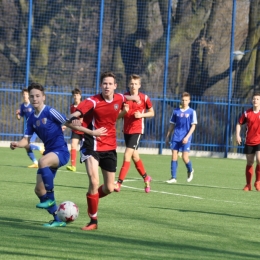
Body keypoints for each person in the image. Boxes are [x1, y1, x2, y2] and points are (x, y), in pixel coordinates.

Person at [66, 71, 140, 231]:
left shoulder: (119, 98)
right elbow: (70, 119)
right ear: (101, 85)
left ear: (115, 86)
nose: (107, 86)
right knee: (94, 181)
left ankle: (92, 200)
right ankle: (93, 220)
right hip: (91, 144)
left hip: (110, 147)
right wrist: (91, 132)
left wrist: (131, 103)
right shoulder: (92, 101)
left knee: (109, 188)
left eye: (110, 84)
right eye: (104, 83)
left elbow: (121, 103)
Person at [10, 83, 71, 227]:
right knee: (38, 189)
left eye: (37, 96)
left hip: (61, 152)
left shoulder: (50, 111)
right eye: (32, 96)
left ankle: (50, 197)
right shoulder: (31, 118)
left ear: (43, 97)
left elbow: (68, 122)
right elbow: (26, 140)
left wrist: (89, 132)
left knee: (42, 161)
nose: (34, 98)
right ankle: (57, 219)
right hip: (50, 154)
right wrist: (17, 144)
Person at [114, 74, 154, 193]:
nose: (133, 86)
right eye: (131, 83)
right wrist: (124, 111)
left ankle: (119, 183)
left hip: (137, 130)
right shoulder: (123, 97)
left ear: (139, 85)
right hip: (126, 130)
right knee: (135, 156)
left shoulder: (144, 98)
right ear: (128, 84)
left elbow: (152, 113)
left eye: (136, 84)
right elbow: (117, 116)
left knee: (127, 155)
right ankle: (146, 177)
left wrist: (141, 115)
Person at [165, 92, 197, 183]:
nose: (184, 102)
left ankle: (190, 170)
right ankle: (173, 177)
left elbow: (193, 126)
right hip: (176, 136)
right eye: (183, 100)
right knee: (174, 156)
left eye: (186, 100)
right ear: (180, 100)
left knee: (184, 157)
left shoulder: (192, 112)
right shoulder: (176, 111)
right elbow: (172, 125)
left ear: (189, 101)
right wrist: (167, 136)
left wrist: (187, 137)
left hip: (186, 137)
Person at [236, 92, 260, 191]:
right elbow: (239, 123)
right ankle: (248, 184)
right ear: (252, 100)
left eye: (258, 99)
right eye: (254, 99)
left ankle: (258, 182)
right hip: (249, 141)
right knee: (250, 162)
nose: (255, 101)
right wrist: (237, 135)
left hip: (259, 141)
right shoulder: (247, 113)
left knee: (259, 160)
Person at [16, 88, 44, 168]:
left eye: (26, 94)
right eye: (23, 94)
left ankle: (40, 148)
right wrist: (17, 114)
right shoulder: (22, 106)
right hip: (29, 128)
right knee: (27, 146)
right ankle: (35, 162)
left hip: (35, 126)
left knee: (26, 144)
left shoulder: (32, 105)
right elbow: (19, 117)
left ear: (29, 95)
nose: (25, 96)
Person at [66, 88, 84, 172]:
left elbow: (85, 117)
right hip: (75, 130)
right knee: (73, 145)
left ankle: (96, 163)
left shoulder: (84, 105)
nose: (75, 97)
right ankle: (73, 166)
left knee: (87, 150)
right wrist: (65, 126)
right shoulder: (72, 106)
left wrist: (82, 120)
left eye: (77, 95)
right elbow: (71, 118)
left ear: (80, 96)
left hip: (84, 130)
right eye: (74, 95)